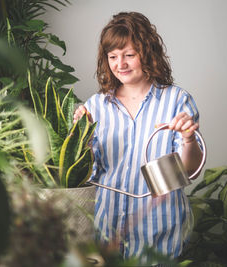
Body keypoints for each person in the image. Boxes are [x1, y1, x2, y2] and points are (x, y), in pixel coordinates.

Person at [73, 11, 204, 260]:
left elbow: (187, 171)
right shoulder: (96, 106)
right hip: (106, 233)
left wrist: (188, 139)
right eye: (113, 57)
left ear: (148, 53)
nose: (120, 64)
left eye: (129, 55)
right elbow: (89, 173)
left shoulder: (176, 101)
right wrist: (81, 139)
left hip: (159, 236)